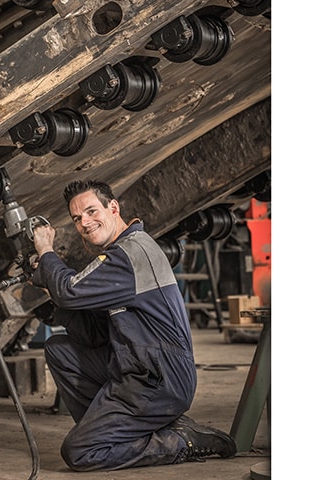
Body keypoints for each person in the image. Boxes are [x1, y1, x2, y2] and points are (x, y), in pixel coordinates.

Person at [29, 179, 236, 471]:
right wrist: (53, 289)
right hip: (134, 366)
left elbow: (70, 290)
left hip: (159, 378)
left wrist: (45, 250)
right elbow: (95, 334)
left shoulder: (130, 253)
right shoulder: (123, 251)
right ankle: (115, 431)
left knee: (79, 452)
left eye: (91, 211)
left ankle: (179, 441)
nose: (85, 223)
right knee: (59, 349)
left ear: (113, 207)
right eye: (77, 218)